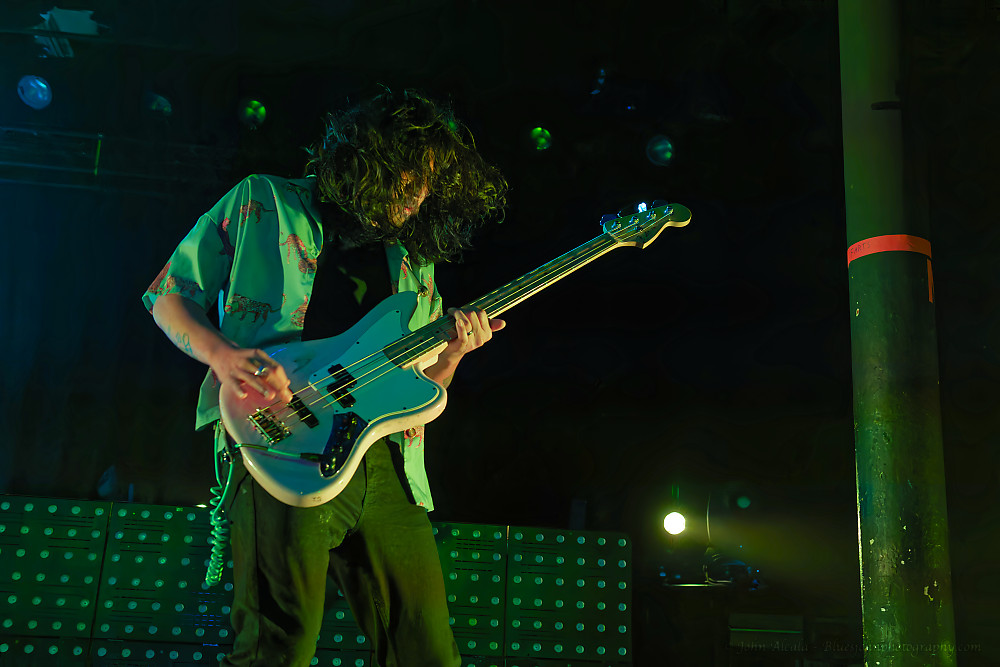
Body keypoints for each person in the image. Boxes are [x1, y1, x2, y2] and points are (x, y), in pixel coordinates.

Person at [142, 88, 508, 666]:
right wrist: (223, 357)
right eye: (410, 179)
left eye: (428, 186)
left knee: (427, 651)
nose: (419, 198)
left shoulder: (414, 261)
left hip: (385, 463)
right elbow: (168, 295)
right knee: (278, 648)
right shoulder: (263, 201)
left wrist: (456, 352)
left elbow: (418, 388)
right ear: (371, 161)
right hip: (278, 440)